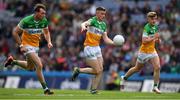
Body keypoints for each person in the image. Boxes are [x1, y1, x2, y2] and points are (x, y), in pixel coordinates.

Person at [4, 4, 54, 95]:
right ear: (36, 13)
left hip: (36, 46)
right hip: (27, 45)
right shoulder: (26, 21)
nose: (44, 15)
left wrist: (49, 42)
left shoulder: (44, 21)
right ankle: (46, 89)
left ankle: (13, 62)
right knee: (39, 65)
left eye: (44, 13)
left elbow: (46, 32)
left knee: (30, 67)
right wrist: (21, 45)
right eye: (42, 13)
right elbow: (15, 32)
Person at [71, 7, 115, 94]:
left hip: (97, 48)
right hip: (89, 47)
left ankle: (93, 89)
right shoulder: (93, 20)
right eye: (102, 14)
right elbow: (85, 23)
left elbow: (106, 39)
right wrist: (83, 26)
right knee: (97, 70)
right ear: (97, 13)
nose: (103, 16)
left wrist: (114, 43)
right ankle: (79, 70)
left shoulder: (104, 25)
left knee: (100, 70)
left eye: (104, 14)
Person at [120, 12, 161, 94]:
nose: (154, 20)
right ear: (148, 19)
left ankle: (155, 87)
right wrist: (154, 37)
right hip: (144, 52)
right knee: (137, 68)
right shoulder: (147, 27)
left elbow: (155, 38)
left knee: (157, 67)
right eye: (152, 19)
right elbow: (144, 41)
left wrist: (158, 40)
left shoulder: (155, 27)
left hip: (152, 50)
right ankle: (124, 78)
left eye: (155, 19)